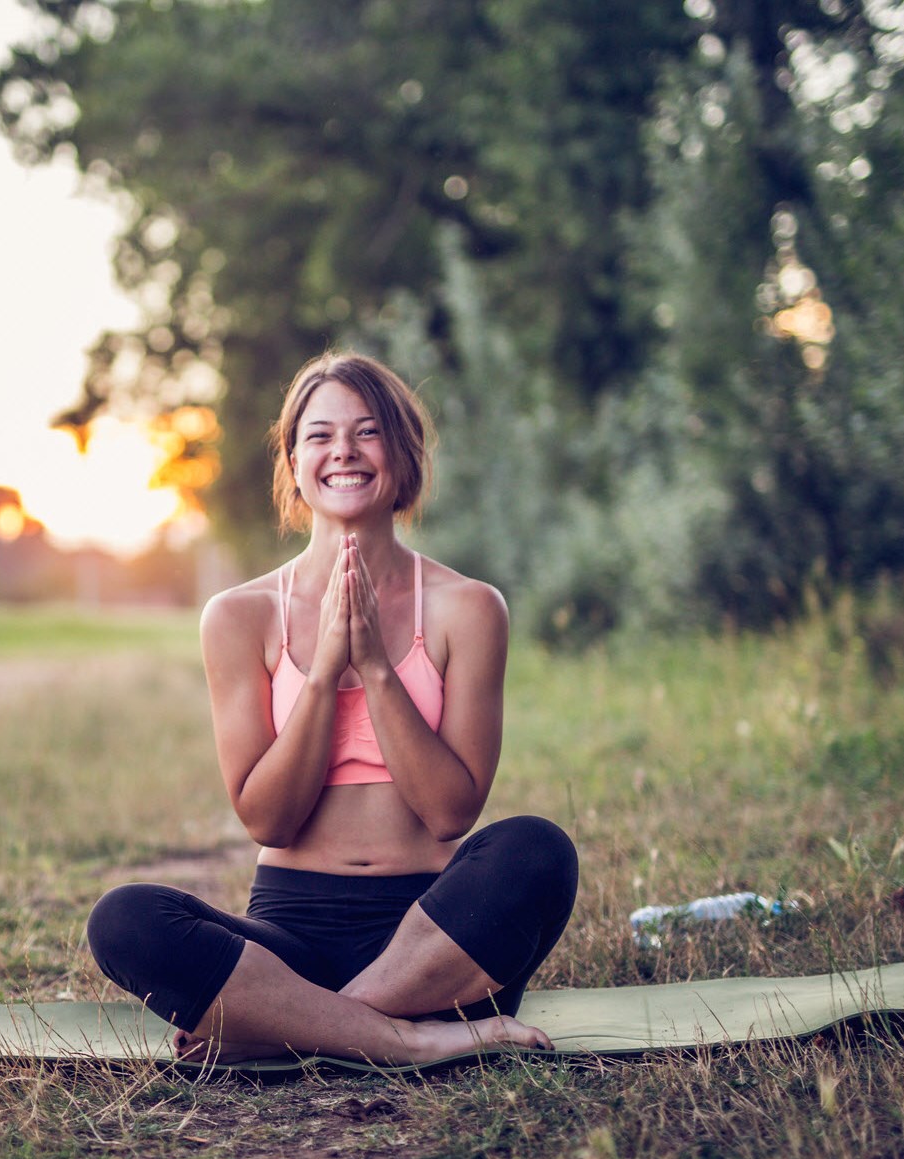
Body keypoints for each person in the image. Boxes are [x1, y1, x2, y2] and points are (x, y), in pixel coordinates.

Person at [87, 352, 578, 1066]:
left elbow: (449, 813)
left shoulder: (467, 608)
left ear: (402, 454)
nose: (342, 450)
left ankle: (289, 1027)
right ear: (293, 461)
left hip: (433, 939)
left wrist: (375, 665)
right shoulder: (239, 615)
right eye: (318, 435)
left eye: (366, 431)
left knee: (537, 850)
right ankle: (401, 1038)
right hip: (288, 935)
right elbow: (267, 819)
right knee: (123, 920)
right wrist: (321, 672)